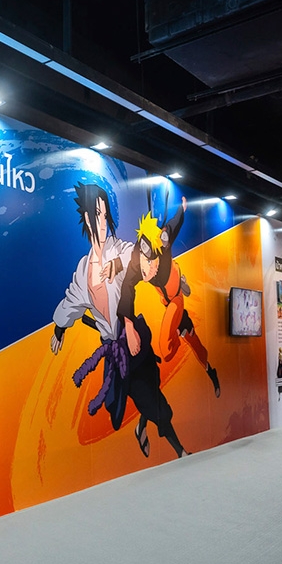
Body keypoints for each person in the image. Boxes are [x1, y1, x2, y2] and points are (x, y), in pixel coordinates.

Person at [51, 180, 187, 459]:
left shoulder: (120, 249)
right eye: (96, 214)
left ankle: (180, 451)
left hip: (133, 339)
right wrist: (59, 328)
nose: (102, 222)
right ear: (87, 217)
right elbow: (72, 300)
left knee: (152, 397)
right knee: (124, 405)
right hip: (115, 352)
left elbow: (132, 255)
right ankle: (144, 428)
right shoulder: (83, 270)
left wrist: (116, 265)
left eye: (105, 215)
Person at [119, 195, 221, 397]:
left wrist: (182, 208)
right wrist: (128, 326)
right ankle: (207, 364)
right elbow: (127, 287)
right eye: (146, 262)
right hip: (166, 298)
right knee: (192, 339)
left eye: (153, 263)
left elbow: (175, 222)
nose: (149, 269)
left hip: (175, 298)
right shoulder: (137, 262)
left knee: (167, 350)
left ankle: (208, 367)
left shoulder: (164, 242)